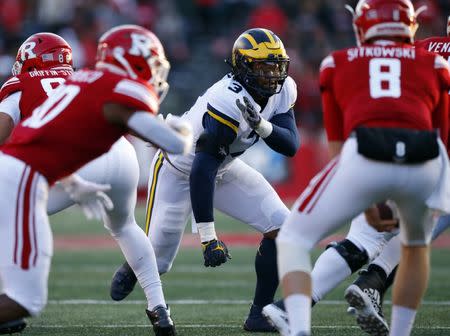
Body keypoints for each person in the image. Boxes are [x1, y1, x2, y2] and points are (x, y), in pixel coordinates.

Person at [263, 0, 450, 335]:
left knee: (294, 237)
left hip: (366, 153)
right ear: (409, 25)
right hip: (426, 161)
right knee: (415, 245)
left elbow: (338, 145)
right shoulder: (433, 63)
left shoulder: (337, 62)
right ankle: (396, 324)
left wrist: (369, 197)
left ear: (361, 26)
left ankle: (299, 325)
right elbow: (441, 137)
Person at [0, 25, 193, 336]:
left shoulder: (66, 81)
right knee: (125, 226)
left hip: (45, 167)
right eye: (151, 62)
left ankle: (9, 300)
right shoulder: (87, 77)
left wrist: (72, 180)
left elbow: (36, 136)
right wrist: (182, 127)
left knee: (20, 274)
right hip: (119, 153)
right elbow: (175, 143)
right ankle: (158, 307)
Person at [109, 27, 300, 332]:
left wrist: (262, 126)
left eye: (277, 66)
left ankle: (259, 313)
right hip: (179, 169)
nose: (272, 75)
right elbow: (202, 169)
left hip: (224, 167)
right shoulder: (226, 100)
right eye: (264, 67)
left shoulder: (283, 89)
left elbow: (290, 145)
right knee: (158, 264)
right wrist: (208, 238)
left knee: (284, 228)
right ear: (243, 68)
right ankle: (134, 266)